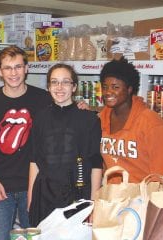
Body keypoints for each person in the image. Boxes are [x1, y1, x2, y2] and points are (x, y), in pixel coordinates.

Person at [0, 46, 53, 240]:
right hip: (0, 187)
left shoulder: (43, 99)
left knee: (35, 237)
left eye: (18, 67)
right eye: (7, 68)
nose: (13, 73)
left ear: (26, 68)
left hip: (34, 186)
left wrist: (81, 105)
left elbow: (64, 113)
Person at [27, 63, 103, 226]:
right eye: (54, 82)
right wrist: (30, 199)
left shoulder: (90, 120)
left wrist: (94, 203)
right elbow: (34, 161)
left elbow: (96, 164)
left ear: (74, 87)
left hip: (78, 194)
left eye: (65, 82)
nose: (59, 87)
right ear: (48, 87)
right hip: (44, 196)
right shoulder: (40, 119)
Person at [99, 57, 163, 185]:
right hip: (111, 199)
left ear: (129, 89)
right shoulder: (100, 119)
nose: (108, 92)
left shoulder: (152, 124)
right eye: (105, 87)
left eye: (115, 87)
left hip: (143, 200)